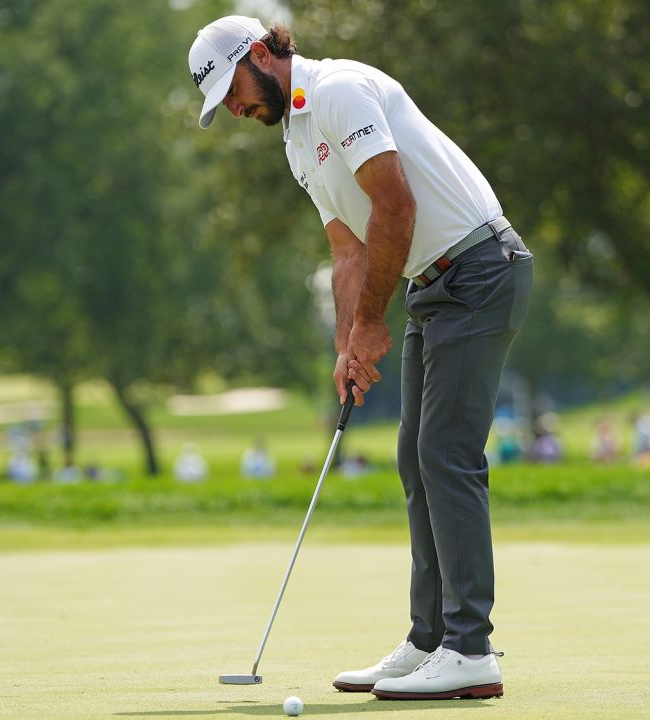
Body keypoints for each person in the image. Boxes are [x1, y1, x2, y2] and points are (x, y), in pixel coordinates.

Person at [189, 16, 532, 700]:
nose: (233, 107)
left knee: (445, 452)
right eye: (223, 101)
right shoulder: (294, 139)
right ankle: (430, 639)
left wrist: (374, 320)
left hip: (479, 271)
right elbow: (348, 249)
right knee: (415, 455)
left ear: (261, 54)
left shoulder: (339, 91)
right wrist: (349, 342)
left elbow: (395, 207)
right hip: (431, 285)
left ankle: (471, 650)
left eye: (233, 88)